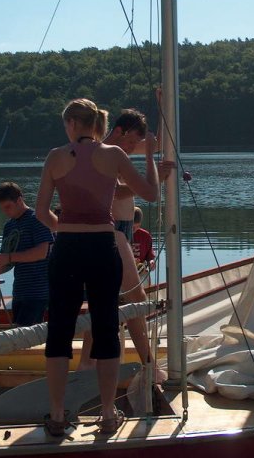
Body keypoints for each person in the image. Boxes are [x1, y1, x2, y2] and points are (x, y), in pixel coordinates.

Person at [35, 98, 158, 436]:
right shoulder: (113, 155)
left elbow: (41, 211)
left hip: (68, 248)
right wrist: (149, 155)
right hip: (103, 248)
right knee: (106, 329)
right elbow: (150, 193)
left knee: (59, 332)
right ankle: (106, 413)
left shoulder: (56, 156)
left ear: (73, 124)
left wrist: (63, 228)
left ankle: (57, 414)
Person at [77, 105, 172, 382]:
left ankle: (86, 364)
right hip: (112, 231)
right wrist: (152, 178)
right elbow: (115, 192)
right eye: (131, 142)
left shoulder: (118, 152)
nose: (132, 149)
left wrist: (162, 106)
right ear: (119, 131)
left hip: (121, 231)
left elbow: (156, 145)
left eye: (135, 144)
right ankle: (148, 365)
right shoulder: (102, 153)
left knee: (102, 301)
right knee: (135, 299)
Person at [0, 182, 54, 326]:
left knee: (24, 335)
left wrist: (8, 257)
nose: (5, 211)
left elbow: (42, 252)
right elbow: (8, 261)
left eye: (8, 206)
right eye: (2, 208)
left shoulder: (37, 219)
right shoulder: (9, 226)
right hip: (19, 292)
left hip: (38, 292)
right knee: (19, 334)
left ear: (19, 200)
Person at [132, 206, 156, 271]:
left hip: (140, 271)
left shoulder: (146, 236)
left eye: (137, 226)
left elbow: (150, 257)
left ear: (140, 224)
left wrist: (151, 263)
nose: (133, 229)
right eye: (132, 226)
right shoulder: (120, 234)